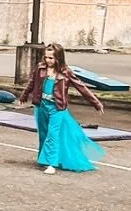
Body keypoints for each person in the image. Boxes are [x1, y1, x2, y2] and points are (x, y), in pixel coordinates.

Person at [21, 42, 105, 175]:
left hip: (57, 108)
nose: (47, 60)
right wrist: (24, 95)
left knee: (52, 135)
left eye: (51, 58)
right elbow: (32, 82)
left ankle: (51, 163)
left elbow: (81, 87)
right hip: (41, 105)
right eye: (46, 57)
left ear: (58, 58)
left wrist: (96, 102)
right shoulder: (40, 68)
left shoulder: (66, 72)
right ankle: (44, 159)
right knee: (43, 133)